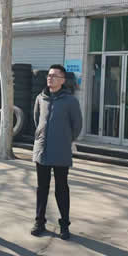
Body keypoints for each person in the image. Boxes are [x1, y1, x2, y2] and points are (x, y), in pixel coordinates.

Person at [31, 64, 82, 240]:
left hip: (61, 151)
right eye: (49, 75)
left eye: (54, 76)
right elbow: (37, 120)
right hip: (42, 150)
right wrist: (41, 136)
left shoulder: (70, 101)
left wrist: (65, 139)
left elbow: (77, 126)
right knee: (42, 189)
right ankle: (39, 222)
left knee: (61, 189)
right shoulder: (41, 98)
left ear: (62, 80)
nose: (50, 78)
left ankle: (64, 225)